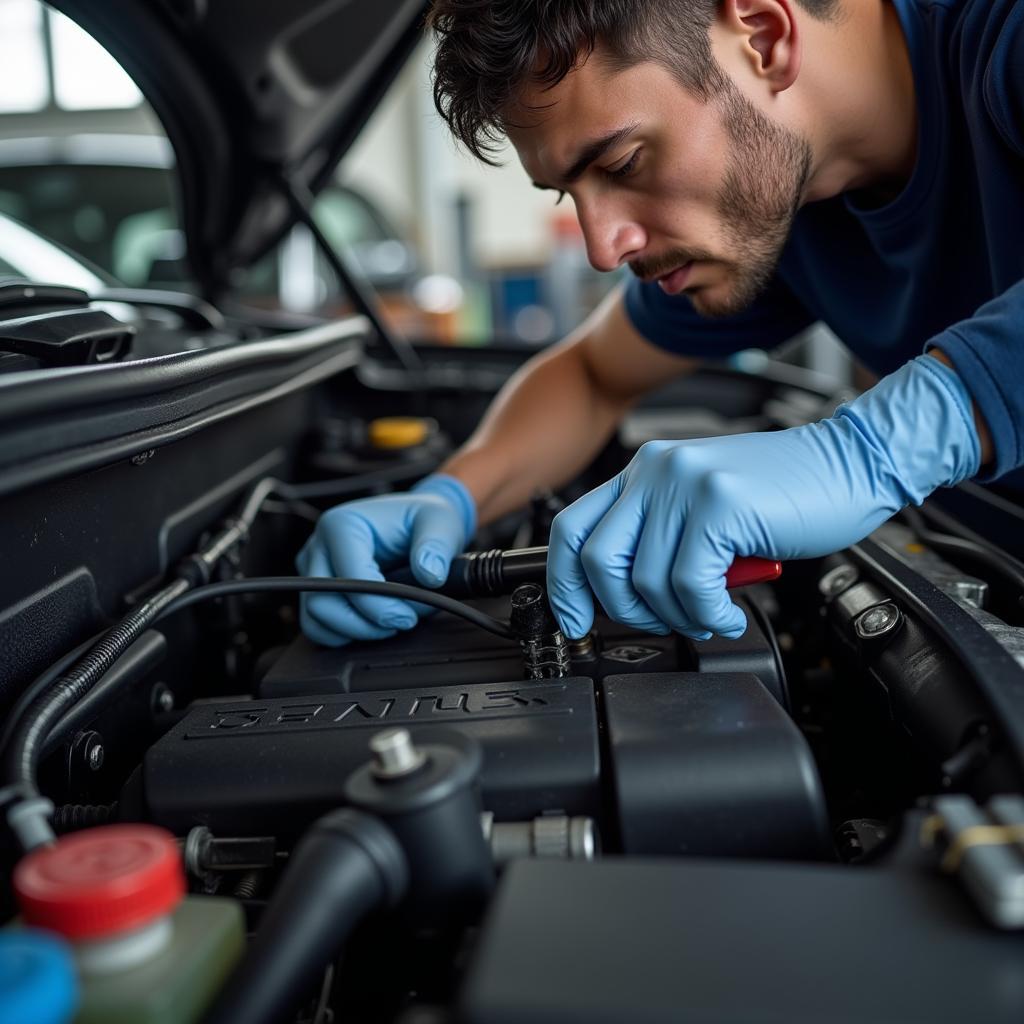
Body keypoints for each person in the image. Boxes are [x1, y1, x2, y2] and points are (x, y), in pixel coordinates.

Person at [297, 0, 1021, 648]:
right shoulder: (781, 207)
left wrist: (869, 452)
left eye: (623, 162)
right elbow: (591, 374)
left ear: (764, 37)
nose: (603, 247)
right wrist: (451, 496)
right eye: (567, 196)